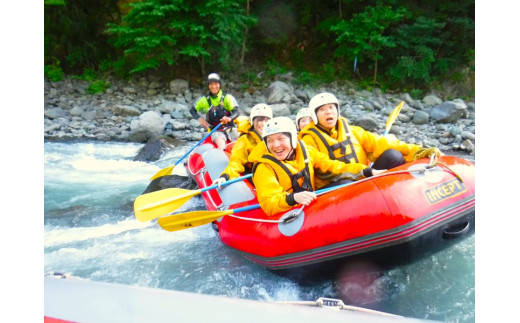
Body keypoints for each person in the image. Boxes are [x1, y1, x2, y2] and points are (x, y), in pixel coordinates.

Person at [299, 92, 441, 189]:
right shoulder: (308, 141)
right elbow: (327, 167)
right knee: (346, 182)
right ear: (315, 115)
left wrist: (418, 151)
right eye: (322, 109)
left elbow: (382, 143)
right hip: (335, 188)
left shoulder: (352, 130)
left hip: (364, 177)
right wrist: (365, 171)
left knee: (393, 155)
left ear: (337, 111)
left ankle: (407, 191)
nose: (328, 112)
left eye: (331, 107)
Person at [250, 117, 370, 216]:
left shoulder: (306, 151)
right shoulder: (263, 167)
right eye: (269, 141)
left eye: (281, 138)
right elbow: (269, 203)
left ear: (292, 138)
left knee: (344, 182)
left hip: (310, 204)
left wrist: (365, 171)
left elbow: (333, 166)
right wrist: (293, 198)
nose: (275, 145)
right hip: (288, 213)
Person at [212, 104, 273, 187]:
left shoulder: (275, 137)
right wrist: (225, 176)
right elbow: (236, 161)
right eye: (260, 120)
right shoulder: (245, 140)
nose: (263, 124)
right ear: (253, 121)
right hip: (256, 173)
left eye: (267, 120)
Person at [190, 73, 239, 149]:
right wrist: (200, 119)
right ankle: (222, 151)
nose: (213, 86)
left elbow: (237, 112)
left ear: (219, 84)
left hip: (230, 128)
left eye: (216, 83)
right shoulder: (204, 100)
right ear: (208, 86)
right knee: (221, 144)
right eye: (211, 84)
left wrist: (229, 118)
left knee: (243, 140)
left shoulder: (227, 98)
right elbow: (192, 110)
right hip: (215, 130)